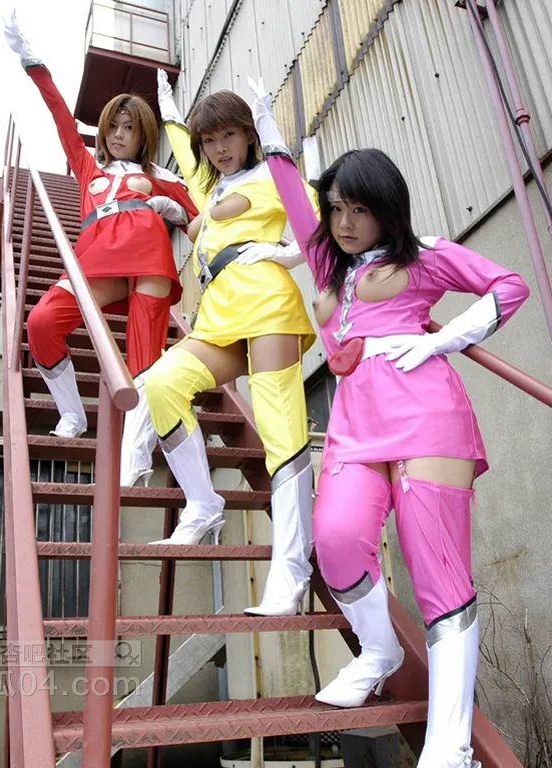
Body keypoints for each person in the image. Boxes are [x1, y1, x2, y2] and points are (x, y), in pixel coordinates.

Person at [247, 77, 530, 767]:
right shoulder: (328, 261)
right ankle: (377, 651)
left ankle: (449, 743)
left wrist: (444, 340)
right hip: (355, 421)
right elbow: (295, 205)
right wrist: (270, 136)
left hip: (428, 415)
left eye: (360, 209)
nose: (345, 222)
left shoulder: (424, 255)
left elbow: (509, 285)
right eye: (337, 208)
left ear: (387, 210)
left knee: (437, 570)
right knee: (337, 538)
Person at [142, 70, 317, 617]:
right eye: (210, 139)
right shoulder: (208, 186)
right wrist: (169, 109)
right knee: (163, 384)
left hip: (268, 307)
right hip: (218, 320)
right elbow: (181, 146)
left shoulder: (272, 176)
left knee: (279, 429)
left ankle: (291, 569)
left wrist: (289, 255)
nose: (219, 148)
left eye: (229, 135)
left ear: (248, 134)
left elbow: (317, 219)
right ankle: (202, 503)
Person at [2, 11, 197, 489]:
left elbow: (198, 220)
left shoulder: (158, 177)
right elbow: (61, 117)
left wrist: (175, 214)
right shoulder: (88, 169)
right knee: (41, 322)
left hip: (148, 258)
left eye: (128, 127)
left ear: (143, 134)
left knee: (145, 360)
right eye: (112, 126)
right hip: (97, 261)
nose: (117, 134)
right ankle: (73, 413)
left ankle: (136, 457)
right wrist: (33, 62)